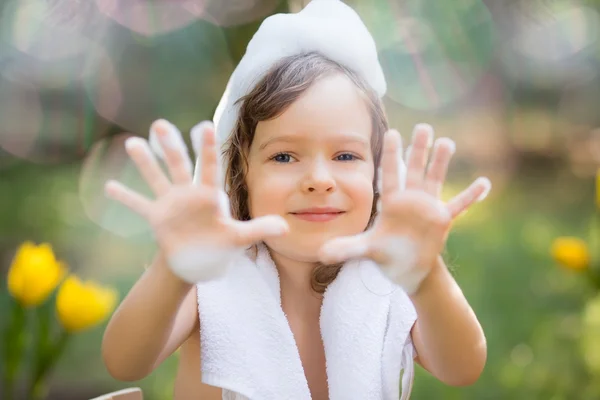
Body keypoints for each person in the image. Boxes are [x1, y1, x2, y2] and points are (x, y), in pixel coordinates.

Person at [101, 1, 490, 399]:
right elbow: (125, 362)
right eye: (284, 156)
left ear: (376, 177)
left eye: (345, 156)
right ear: (241, 176)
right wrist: (173, 271)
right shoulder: (212, 277)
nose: (319, 180)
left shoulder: (393, 276)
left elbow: (462, 368)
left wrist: (428, 279)